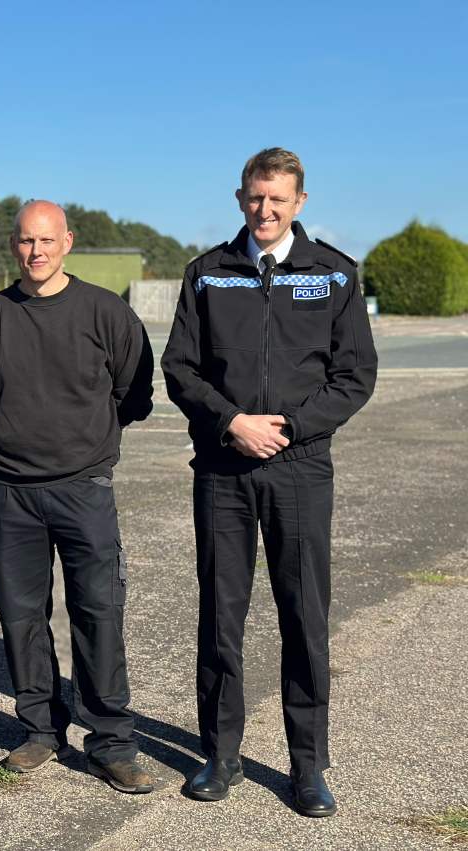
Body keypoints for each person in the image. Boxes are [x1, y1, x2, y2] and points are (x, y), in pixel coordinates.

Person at [161, 147, 377, 817]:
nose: (265, 209)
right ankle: (219, 755)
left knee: (304, 616)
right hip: (223, 468)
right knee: (220, 615)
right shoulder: (207, 273)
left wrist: (290, 427)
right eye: (256, 197)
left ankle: (308, 764)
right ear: (240, 198)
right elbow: (180, 368)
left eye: (278, 199)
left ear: (300, 202)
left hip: (299, 468)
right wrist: (231, 422)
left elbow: (355, 375)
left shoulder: (333, 274)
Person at [0, 200, 155, 793]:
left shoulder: (106, 312)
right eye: (25, 241)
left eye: (46, 240)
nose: (35, 251)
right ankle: (40, 729)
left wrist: (83, 440)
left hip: (83, 488)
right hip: (9, 491)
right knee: (20, 615)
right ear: (12, 245)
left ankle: (111, 742)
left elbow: (133, 393)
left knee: (98, 612)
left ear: (67, 241)